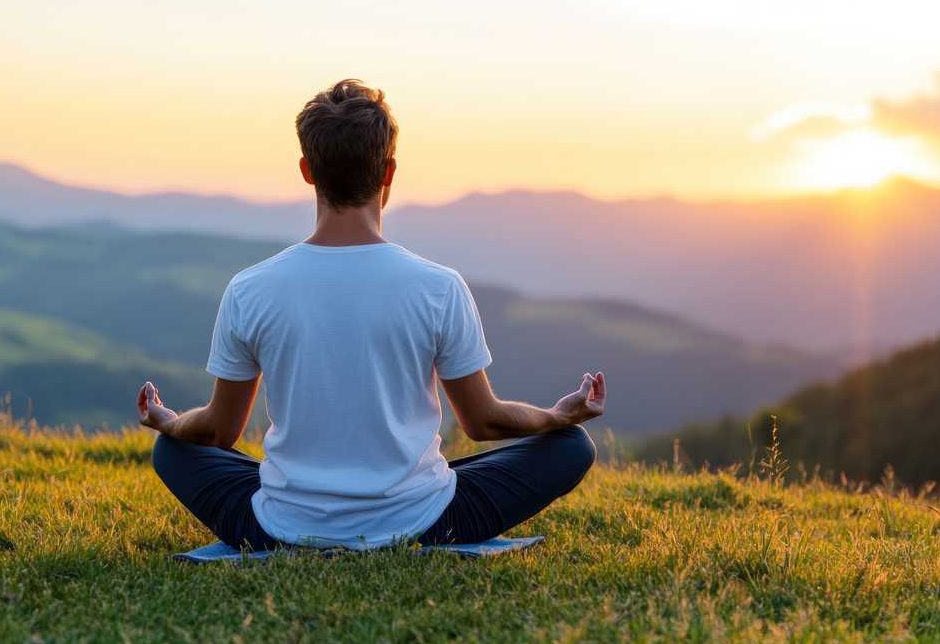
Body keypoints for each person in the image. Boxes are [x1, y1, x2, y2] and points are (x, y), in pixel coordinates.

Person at [136, 79, 603, 551]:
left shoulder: (249, 289)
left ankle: (298, 519)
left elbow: (218, 431)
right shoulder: (440, 287)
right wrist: (554, 416)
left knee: (172, 451)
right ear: (388, 171)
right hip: (424, 521)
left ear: (307, 171)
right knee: (571, 446)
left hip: (279, 525)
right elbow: (485, 422)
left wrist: (170, 423)